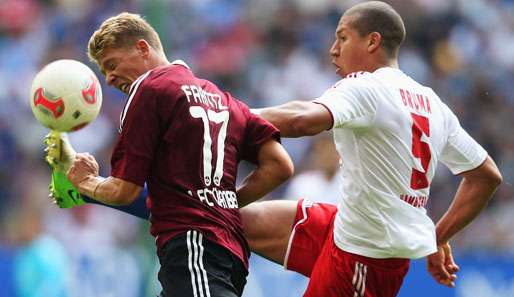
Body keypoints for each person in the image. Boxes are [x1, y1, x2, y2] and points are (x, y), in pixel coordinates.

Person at [46, 2, 502, 296]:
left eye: (342, 37)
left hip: (368, 254)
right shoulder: (432, 102)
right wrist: (437, 236)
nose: (332, 49)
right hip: (347, 225)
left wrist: (219, 112)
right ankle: (82, 190)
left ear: (372, 42)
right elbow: (485, 176)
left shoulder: (368, 87)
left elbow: (303, 118)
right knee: (229, 220)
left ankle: (84, 187)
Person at [60, 12, 294, 297]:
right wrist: (224, 205)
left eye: (111, 64)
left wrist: (85, 183)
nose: (108, 79)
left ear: (142, 48)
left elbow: (124, 190)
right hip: (227, 250)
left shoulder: (149, 89)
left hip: (192, 245)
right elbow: (279, 165)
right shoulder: (225, 100)